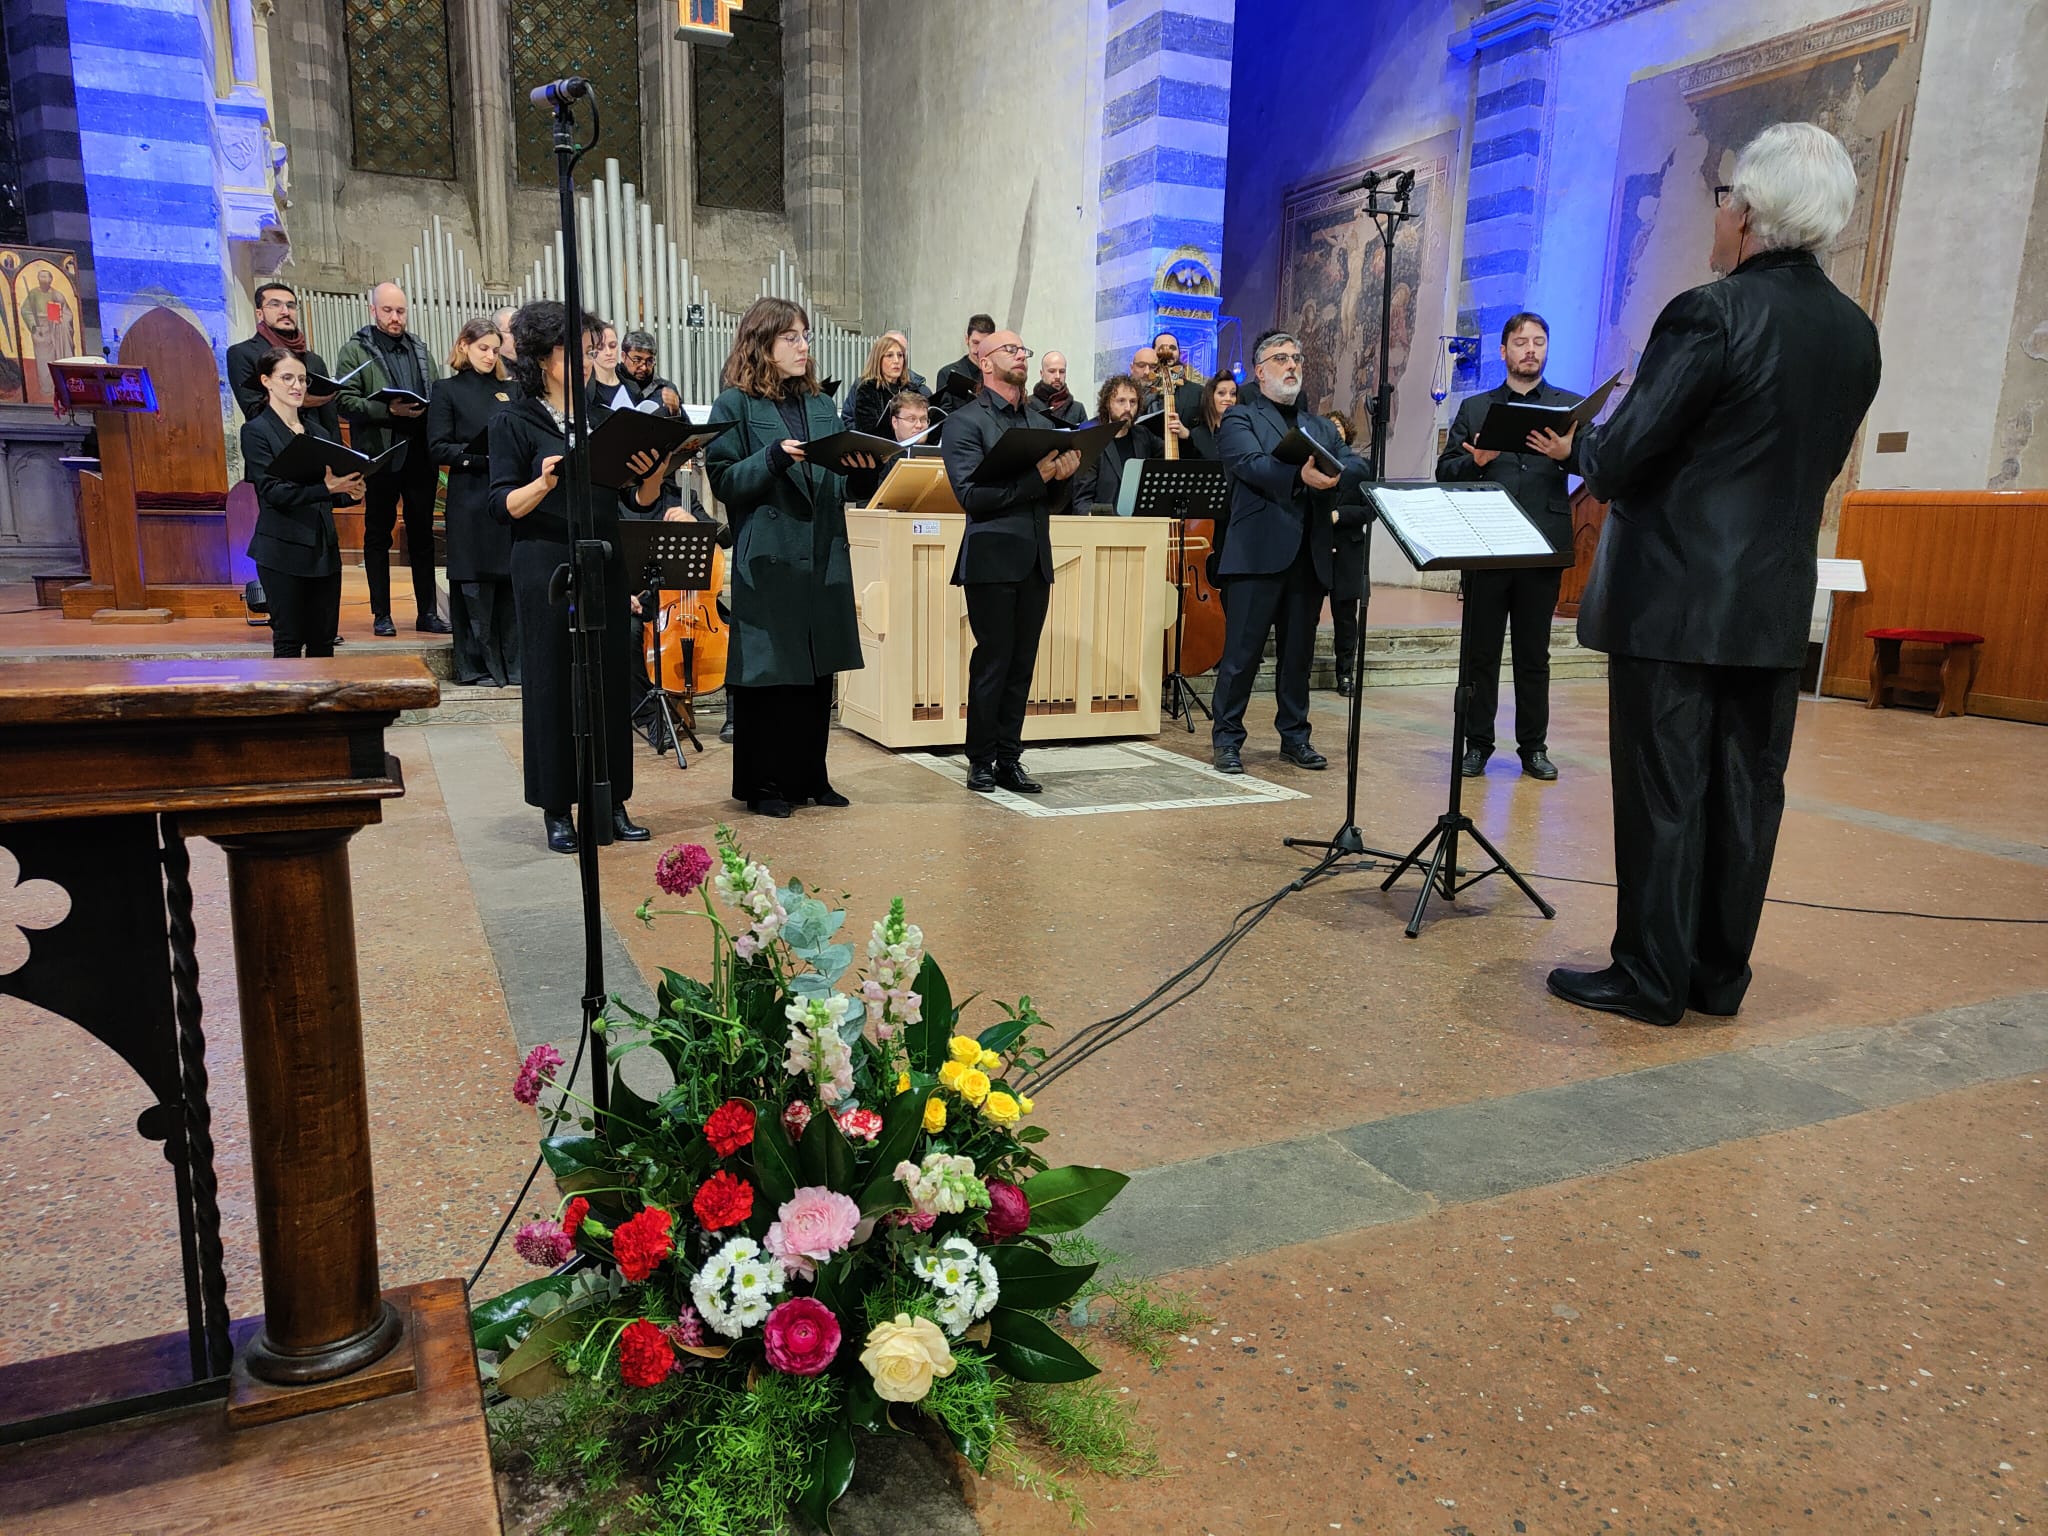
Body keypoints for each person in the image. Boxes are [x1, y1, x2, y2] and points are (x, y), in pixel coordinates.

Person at [1546, 123, 1882, 1029]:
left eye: (1727, 195)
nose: (1720, 208)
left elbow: (1625, 460)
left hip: (1676, 601)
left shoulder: (1711, 312)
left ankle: (1648, 977)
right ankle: (1715, 978)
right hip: (1772, 603)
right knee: (1744, 793)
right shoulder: (1856, 334)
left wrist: (1588, 440)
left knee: (1662, 790)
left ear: (1751, 214)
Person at [490, 301, 672, 854]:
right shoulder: (514, 420)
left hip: (603, 557)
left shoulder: (605, 418)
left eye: (593, 347)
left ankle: (611, 799)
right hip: (544, 562)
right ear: (545, 357)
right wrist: (544, 481)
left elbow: (635, 498)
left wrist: (656, 471)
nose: (592, 357)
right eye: (579, 348)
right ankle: (556, 807)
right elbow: (502, 506)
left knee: (610, 679)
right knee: (551, 681)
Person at [704, 297, 870, 818]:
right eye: (791, 337)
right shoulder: (735, 405)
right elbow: (724, 479)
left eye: (806, 336)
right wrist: (772, 458)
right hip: (770, 556)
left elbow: (840, 479)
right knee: (770, 677)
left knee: (817, 673)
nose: (804, 346)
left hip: (821, 552)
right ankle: (765, 785)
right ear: (762, 345)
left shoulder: (821, 404)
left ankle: (811, 778)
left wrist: (865, 468)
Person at [1209, 331, 1366, 774]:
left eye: (1296, 357)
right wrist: (1301, 476)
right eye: (1280, 358)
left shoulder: (1317, 425)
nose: (1292, 365)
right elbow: (1251, 465)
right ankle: (1227, 739)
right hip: (1258, 553)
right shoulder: (1240, 418)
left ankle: (1295, 737)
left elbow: (1355, 462)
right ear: (1260, 371)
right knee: (1242, 655)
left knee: (1297, 656)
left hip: (1308, 555)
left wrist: (1334, 474)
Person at [1436, 312, 1581, 779]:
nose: (1531, 350)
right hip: (1487, 544)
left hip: (1542, 544)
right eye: (1521, 342)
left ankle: (1533, 748)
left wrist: (1569, 453)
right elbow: (1445, 472)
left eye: (1539, 341)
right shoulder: (1476, 409)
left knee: (1533, 654)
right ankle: (1477, 744)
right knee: (1480, 653)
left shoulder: (1568, 408)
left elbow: (1599, 464)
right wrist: (1475, 461)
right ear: (1504, 352)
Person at [941, 329, 1081, 794]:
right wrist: (1036, 477)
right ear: (984, 362)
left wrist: (1062, 478)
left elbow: (1049, 500)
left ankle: (1009, 758)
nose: (1021, 356)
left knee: (1023, 664)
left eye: (1024, 350)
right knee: (993, 662)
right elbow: (972, 497)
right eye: (1011, 350)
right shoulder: (965, 422)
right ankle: (979, 760)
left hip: (1034, 558)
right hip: (991, 558)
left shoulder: (1038, 418)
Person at [335, 282, 446, 636]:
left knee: (422, 537)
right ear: (373, 310)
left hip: (419, 454)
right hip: (381, 454)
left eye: (400, 311)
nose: (395, 318)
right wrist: (389, 409)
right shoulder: (355, 350)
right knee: (377, 535)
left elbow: (436, 391)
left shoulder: (420, 348)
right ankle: (381, 614)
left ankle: (427, 613)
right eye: (388, 311)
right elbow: (344, 401)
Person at [240, 349, 361, 659]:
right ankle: (292, 708)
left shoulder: (317, 432)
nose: (297, 386)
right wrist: (326, 488)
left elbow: (331, 488)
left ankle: (322, 708)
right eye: (288, 378)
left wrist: (351, 493)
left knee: (323, 641)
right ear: (267, 381)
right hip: (282, 548)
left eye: (303, 380)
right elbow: (273, 492)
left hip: (323, 548)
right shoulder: (256, 431)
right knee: (289, 640)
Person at [429, 317, 522, 687]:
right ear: (464, 345)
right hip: (469, 496)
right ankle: (477, 666)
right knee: (475, 583)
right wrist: (479, 457)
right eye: (482, 348)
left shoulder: (510, 390)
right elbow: (437, 446)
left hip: (506, 494)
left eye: (495, 350)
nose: (489, 355)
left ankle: (514, 666)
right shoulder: (447, 389)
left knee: (508, 582)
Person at [227, 282, 339, 436]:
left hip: (317, 444)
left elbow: (329, 419)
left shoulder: (314, 360)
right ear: (259, 313)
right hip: (272, 445)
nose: (285, 311)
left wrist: (337, 456)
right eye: (275, 305)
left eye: (291, 306)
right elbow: (252, 410)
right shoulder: (243, 353)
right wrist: (301, 400)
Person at [1323, 410, 1372, 696]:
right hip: (1318, 547)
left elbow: (1370, 510)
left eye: (1339, 427)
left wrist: (1339, 515)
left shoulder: (1361, 467)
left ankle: (1345, 674)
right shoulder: (1312, 466)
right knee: (1307, 615)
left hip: (1348, 548)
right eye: (1328, 427)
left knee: (1345, 616)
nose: (1334, 431)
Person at [1071, 373, 1161, 512]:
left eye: (1133, 402)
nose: (1127, 408)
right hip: (1105, 527)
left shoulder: (1143, 435)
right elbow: (1082, 502)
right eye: (1121, 401)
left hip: (1140, 525)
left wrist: (1183, 435)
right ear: (1108, 404)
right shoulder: (1093, 441)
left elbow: (1172, 462)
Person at [844, 389, 931, 504]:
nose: (919, 425)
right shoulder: (880, 456)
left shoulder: (941, 457)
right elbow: (867, 504)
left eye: (923, 419)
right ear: (895, 422)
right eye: (912, 419)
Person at [841, 329, 927, 428]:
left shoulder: (912, 389)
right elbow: (867, 431)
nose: (896, 361)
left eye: (900, 355)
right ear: (878, 360)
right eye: (890, 355)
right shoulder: (868, 390)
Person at [931, 313, 995, 412]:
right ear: (967, 340)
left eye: (984, 344)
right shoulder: (947, 374)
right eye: (975, 342)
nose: (979, 350)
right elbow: (944, 415)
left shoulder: (998, 374)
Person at [619, 329, 683, 416]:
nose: (644, 367)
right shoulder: (611, 385)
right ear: (623, 356)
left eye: (649, 361)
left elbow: (685, 426)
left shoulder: (666, 389)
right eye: (637, 360)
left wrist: (676, 412)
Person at [1032, 351, 1084, 425]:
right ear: (1042, 373)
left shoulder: (1077, 409)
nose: (1058, 376)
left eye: (1062, 371)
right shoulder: (1028, 405)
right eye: (1052, 371)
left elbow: (1086, 436)